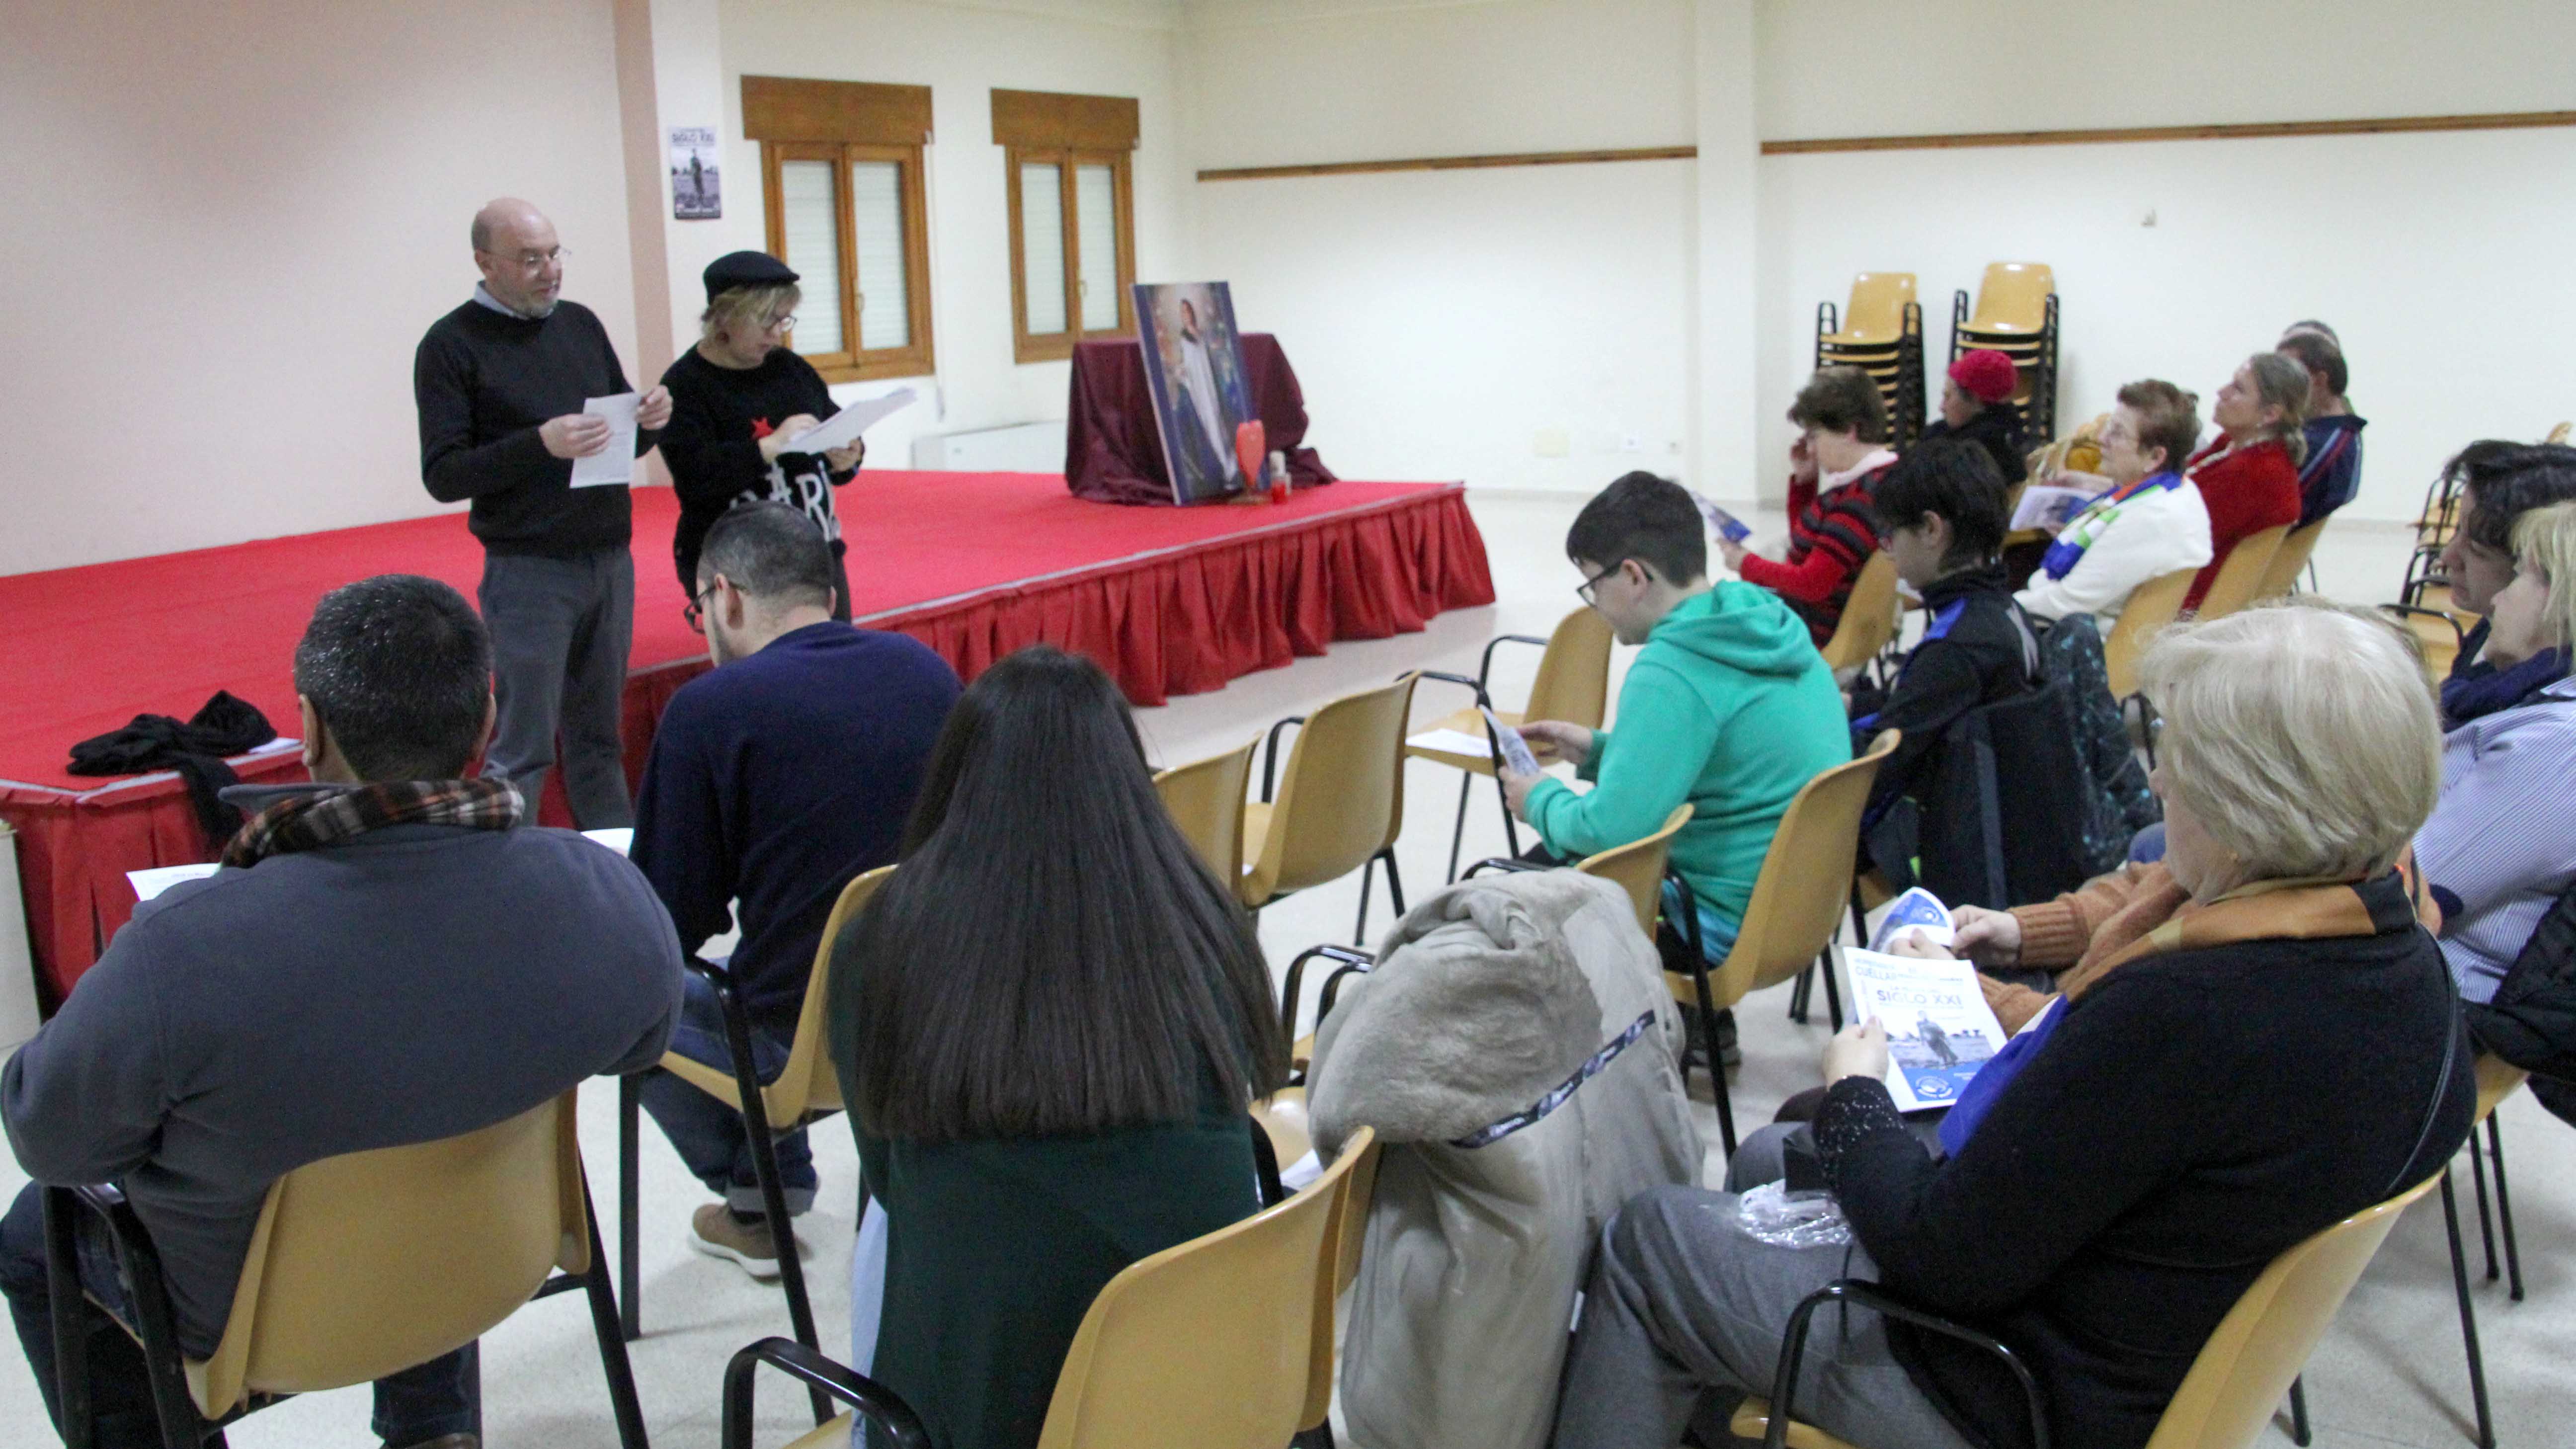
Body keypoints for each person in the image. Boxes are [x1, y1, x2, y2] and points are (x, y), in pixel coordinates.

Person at [1552, 599, 2475, 1449]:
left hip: (2025, 1385)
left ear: (2249, 811)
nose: (2155, 780)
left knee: (1650, 1237)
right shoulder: (2403, 957)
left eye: (2179, 760)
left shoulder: (2192, 1007)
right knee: (1766, 1163)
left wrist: (1857, 1093)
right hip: (2144, 1334)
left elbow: (1939, 1259)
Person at [0, 576, 683, 1449]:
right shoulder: (601, 889)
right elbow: (644, 1044)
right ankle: (434, 1428)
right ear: (484, 724)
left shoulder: (184, 946)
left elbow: (52, 1139)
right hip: (488, 1259)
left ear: (310, 729)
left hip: (259, 1317)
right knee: (434, 1086)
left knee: (34, 1236)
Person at [827, 645, 1288, 1449]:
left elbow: (887, 1180)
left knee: (884, 1225)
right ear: (1130, 780)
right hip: (1204, 1384)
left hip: (976, 1407)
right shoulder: (1205, 923)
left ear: (955, 779)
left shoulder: (882, 936)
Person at [630, 503, 959, 1274]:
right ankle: (767, 1188)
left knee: (608, 984)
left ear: (725, 597)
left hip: (801, 1047)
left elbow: (664, 924)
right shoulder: (926, 669)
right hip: (945, 999)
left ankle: (759, 1200)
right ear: (831, 599)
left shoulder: (711, 710)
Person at [1505, 472, 1847, 966]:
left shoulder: (1673, 667)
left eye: (1594, 584)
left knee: (1504, 898)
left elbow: (1611, 833)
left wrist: (1537, 797)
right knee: (1537, 868)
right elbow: (1726, 763)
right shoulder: (1763, 621)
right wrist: (1603, 752)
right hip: (1801, 909)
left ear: (1634, 577)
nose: (1595, 605)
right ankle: (1707, 1034)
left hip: (1712, 924)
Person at [414, 198, 674, 827]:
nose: (550, 270)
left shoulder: (580, 324)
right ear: (485, 262)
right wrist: (540, 445)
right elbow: (444, 475)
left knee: (599, 739)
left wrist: (650, 423)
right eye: (530, 260)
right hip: (530, 570)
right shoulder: (450, 345)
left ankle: (614, 874)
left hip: (609, 558)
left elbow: (617, 439)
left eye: (555, 254)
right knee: (524, 748)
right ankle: (514, 880)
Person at [2417, 501, 2576, 1005]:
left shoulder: (2557, 749)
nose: (2501, 597)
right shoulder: (2543, 707)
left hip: (2436, 1005)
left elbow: (2407, 891)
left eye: (2526, 575)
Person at [658, 251, 869, 621]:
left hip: (816, 552)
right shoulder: (686, 385)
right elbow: (696, 479)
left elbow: (834, 428)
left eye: (784, 319)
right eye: (765, 321)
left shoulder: (790, 368)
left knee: (832, 664)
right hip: (740, 566)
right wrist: (768, 448)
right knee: (764, 673)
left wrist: (849, 456)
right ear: (724, 318)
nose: (778, 333)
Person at [1849, 438, 2038, 824]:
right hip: (2009, 819)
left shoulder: (1956, 646)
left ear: (1932, 529)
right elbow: (1927, 705)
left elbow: (1872, 769)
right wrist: (1855, 704)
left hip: (1946, 834)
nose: (1889, 553)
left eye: (1892, 537)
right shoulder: (2004, 610)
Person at [2014, 380, 2215, 626]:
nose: (2101, 438)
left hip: (2074, 643)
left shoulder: (2151, 519)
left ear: (2155, 457)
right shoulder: (2176, 488)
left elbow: (2064, 604)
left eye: (2117, 432)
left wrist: (2003, 608)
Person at [1726, 368, 1901, 646]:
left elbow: (1811, 583)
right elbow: (1806, 546)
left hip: (1812, 633)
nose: (1810, 449)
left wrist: (1746, 563)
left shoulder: (1858, 500)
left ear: (1848, 431)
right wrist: (1805, 482)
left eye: (1814, 436)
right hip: (1823, 622)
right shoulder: (1882, 479)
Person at [2433, 441, 2576, 717]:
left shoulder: (2539, 709)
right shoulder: (2487, 631)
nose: (2447, 558)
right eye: (2457, 531)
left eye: (2477, 550)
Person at [2177, 352, 2306, 613]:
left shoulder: (2258, 471)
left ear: (2270, 414)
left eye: (2238, 389)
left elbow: (2178, 530)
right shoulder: (2235, 444)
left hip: (2178, 597)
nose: (2221, 392)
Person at [2275, 330, 2366, 526]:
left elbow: (2273, 512)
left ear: (2319, 381)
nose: (2276, 385)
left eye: (2287, 374)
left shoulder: (2325, 445)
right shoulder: (2322, 433)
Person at [1914, 348, 2027, 488]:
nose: (1942, 407)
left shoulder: (1959, 455)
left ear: (1976, 401)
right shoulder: (2010, 437)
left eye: (1948, 396)